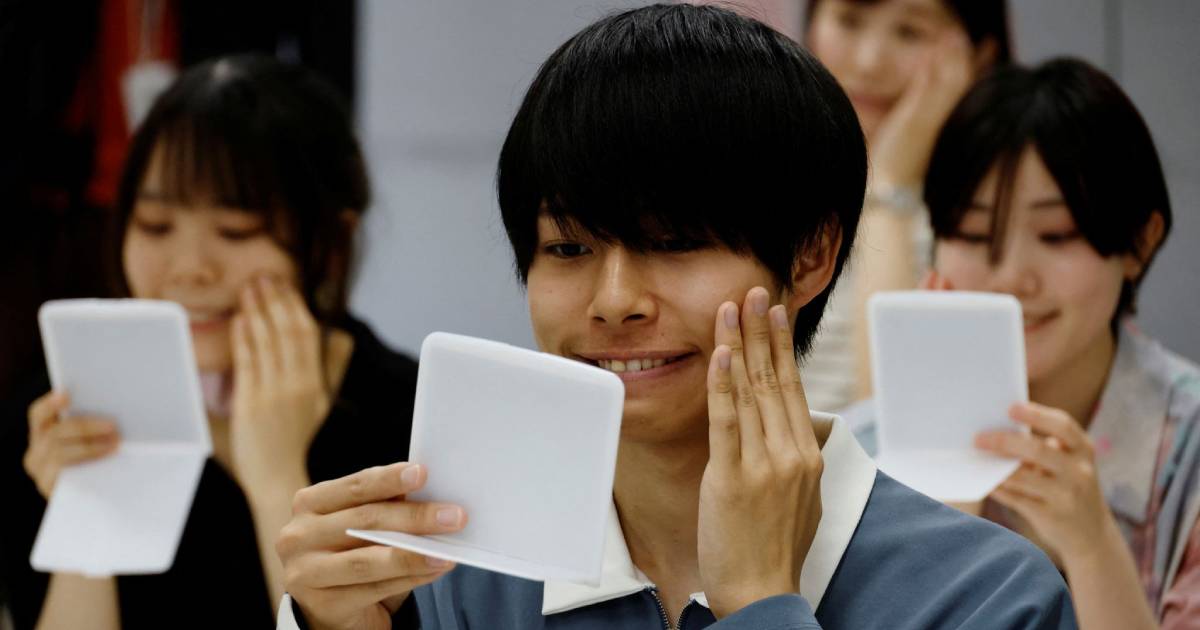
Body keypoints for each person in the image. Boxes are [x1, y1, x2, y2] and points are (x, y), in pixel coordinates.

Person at [275, 6, 1075, 629]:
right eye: (567, 248)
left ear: (810, 256)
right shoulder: (459, 576)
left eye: (675, 242)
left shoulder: (985, 596)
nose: (614, 299)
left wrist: (762, 606)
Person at [1, 55, 418, 630]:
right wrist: (90, 510)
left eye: (235, 232)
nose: (189, 270)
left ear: (328, 244)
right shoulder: (62, 412)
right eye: (154, 226)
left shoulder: (409, 425)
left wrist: (275, 473)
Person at [852, 58, 1198, 629]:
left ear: (1139, 241)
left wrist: (1092, 547)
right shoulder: (861, 454)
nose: (1011, 276)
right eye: (971, 232)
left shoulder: (1187, 453)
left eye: (1056, 234)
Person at [801, 0, 1009, 411]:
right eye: (849, 20)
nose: (869, 61)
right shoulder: (760, 179)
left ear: (980, 54)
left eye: (910, 32)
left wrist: (891, 183)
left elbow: (894, 423)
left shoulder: (1000, 217)